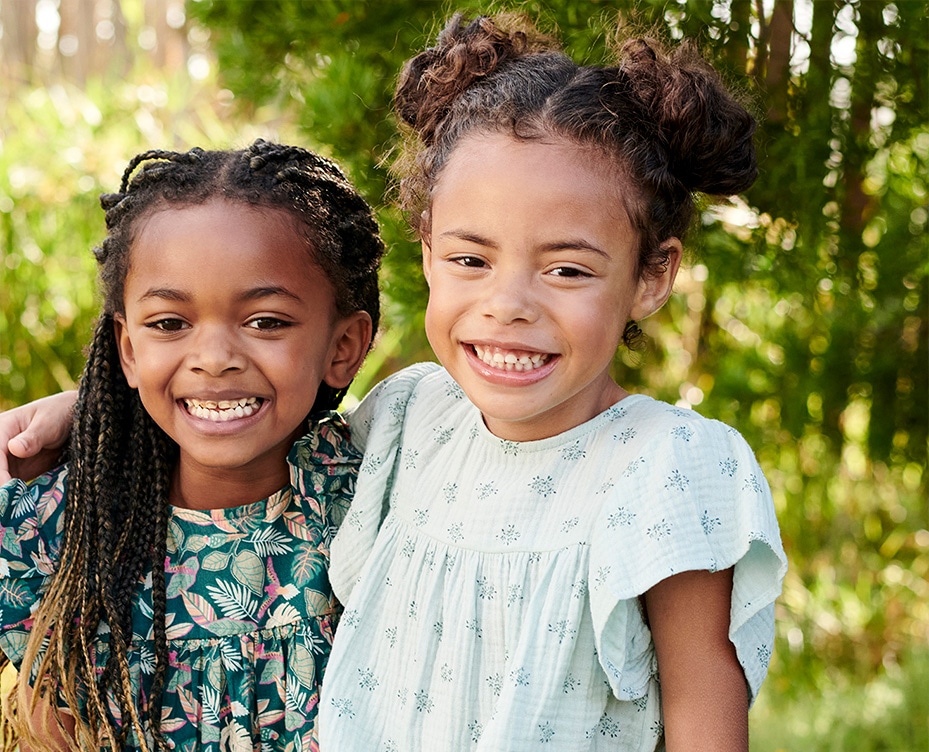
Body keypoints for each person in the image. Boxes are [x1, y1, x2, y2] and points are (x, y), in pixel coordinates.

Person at [0, 12, 788, 752]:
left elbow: (703, 717)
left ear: (652, 276)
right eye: (470, 259)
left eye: (567, 268)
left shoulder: (670, 468)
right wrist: (90, 406)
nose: (507, 305)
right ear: (426, 254)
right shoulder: (416, 417)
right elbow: (249, 416)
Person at [0, 139, 384, 751]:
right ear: (128, 349)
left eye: (265, 322)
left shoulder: (382, 501)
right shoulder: (55, 530)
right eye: (169, 324)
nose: (212, 360)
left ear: (344, 347)